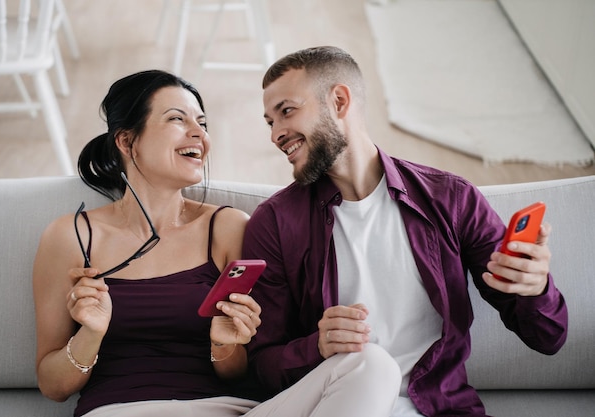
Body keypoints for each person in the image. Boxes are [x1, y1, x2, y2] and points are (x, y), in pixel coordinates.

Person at [33, 69, 398, 417]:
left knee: (372, 364)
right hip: (121, 410)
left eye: (202, 123)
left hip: (228, 410)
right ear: (127, 141)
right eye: (178, 119)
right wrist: (91, 335)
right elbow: (53, 386)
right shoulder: (71, 237)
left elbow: (242, 371)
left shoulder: (227, 227)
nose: (199, 135)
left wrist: (224, 345)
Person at [242, 46, 569, 416]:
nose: (276, 135)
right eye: (270, 122)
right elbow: (262, 366)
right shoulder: (275, 222)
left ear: (338, 101)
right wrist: (317, 346)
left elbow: (548, 337)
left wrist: (534, 288)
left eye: (286, 112)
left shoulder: (451, 200)